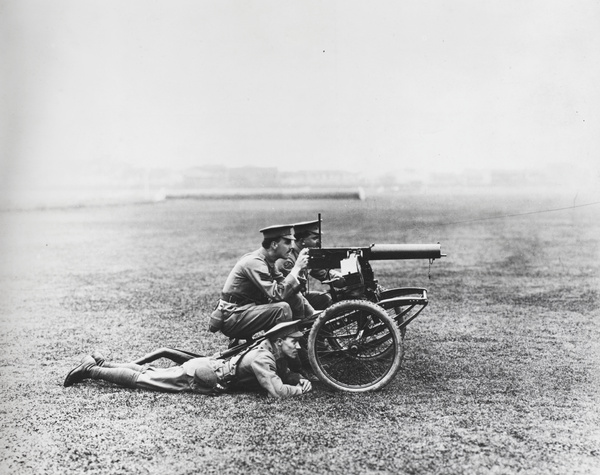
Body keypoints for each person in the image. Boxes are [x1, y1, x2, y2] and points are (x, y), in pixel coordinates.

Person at [63, 321, 313, 399]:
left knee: (148, 370)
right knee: (143, 379)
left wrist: (299, 379)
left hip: (206, 369)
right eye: (295, 341)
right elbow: (277, 392)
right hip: (203, 376)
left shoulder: (273, 350)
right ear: (280, 341)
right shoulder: (263, 357)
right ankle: (91, 370)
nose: (299, 345)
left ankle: (102, 363)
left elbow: (285, 374)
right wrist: (297, 390)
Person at [209, 224, 315, 343]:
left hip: (246, 311)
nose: (291, 247)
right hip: (232, 318)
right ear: (274, 244)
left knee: (293, 297)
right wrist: (296, 268)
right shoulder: (255, 262)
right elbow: (277, 294)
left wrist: (312, 313)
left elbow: (286, 288)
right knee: (281, 309)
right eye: (287, 243)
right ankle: (282, 355)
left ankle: (300, 341)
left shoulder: (268, 261)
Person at [275, 219, 345, 310]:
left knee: (325, 299)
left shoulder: (306, 253)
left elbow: (322, 272)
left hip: (299, 297)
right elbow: (289, 291)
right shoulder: (287, 260)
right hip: (287, 301)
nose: (319, 242)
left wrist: (345, 279)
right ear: (302, 240)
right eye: (315, 238)